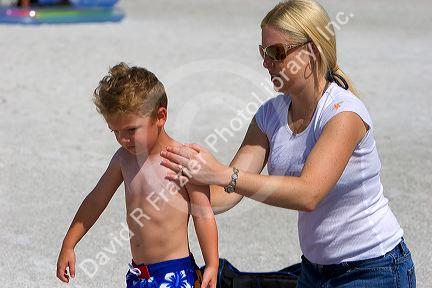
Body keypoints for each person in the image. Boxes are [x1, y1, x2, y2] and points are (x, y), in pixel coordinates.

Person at [159, 0, 416, 287]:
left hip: (374, 269)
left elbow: (308, 194)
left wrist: (220, 174)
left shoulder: (343, 114)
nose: (266, 62)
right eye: (263, 52)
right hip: (314, 272)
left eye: (276, 52)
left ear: (312, 51)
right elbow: (225, 194)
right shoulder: (269, 115)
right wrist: (175, 178)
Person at [56, 63, 218, 288]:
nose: (123, 139)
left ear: (160, 116)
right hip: (138, 274)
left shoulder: (182, 161)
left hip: (175, 274)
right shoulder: (123, 159)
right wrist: (69, 243)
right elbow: (96, 201)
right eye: (116, 132)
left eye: (131, 130)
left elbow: (203, 215)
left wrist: (211, 263)